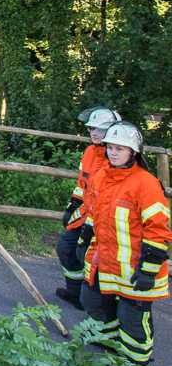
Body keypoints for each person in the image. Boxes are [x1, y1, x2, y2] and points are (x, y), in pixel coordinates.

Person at [76, 121, 171, 366]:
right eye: (110, 147)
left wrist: (148, 271)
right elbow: (94, 214)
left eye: (120, 148)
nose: (113, 153)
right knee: (91, 300)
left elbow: (158, 231)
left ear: (134, 152)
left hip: (135, 269)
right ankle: (111, 341)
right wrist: (84, 241)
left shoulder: (146, 184)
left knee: (132, 318)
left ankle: (136, 363)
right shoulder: (102, 176)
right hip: (105, 262)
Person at [55, 107, 121, 309]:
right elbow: (82, 185)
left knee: (96, 261)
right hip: (86, 216)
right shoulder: (90, 152)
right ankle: (75, 293)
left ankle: (99, 305)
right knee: (67, 247)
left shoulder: (118, 157)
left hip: (107, 222)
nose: (93, 133)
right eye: (91, 128)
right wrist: (72, 207)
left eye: (98, 129)